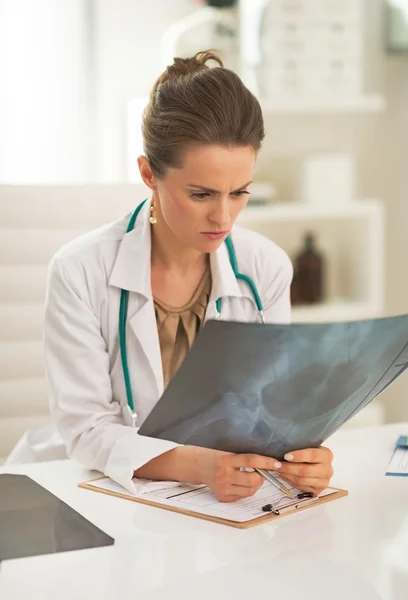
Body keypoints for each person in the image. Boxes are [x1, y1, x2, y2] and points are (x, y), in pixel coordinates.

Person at [44, 51, 334, 502]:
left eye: (239, 193)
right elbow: (85, 429)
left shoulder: (266, 268)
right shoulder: (80, 270)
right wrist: (196, 465)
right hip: (118, 501)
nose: (223, 216)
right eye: (201, 194)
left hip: (232, 506)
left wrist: (305, 457)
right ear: (148, 174)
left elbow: (272, 408)